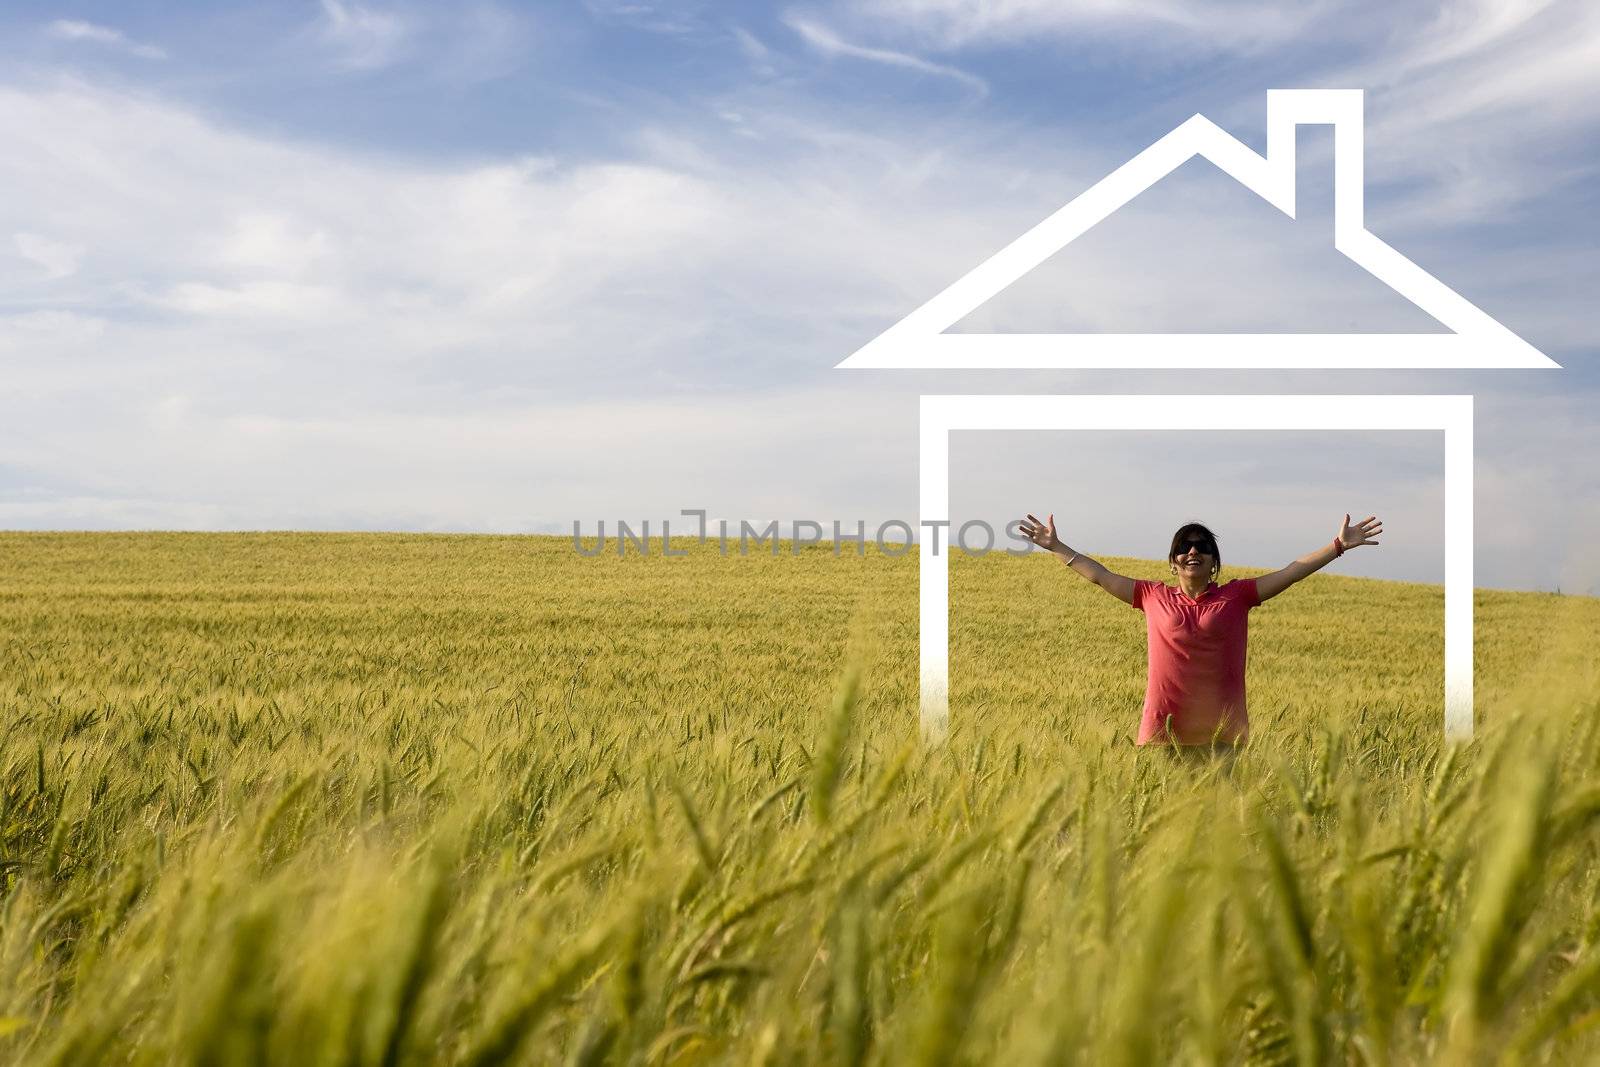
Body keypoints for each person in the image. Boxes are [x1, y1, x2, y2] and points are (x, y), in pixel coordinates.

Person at [1015, 512, 1383, 750]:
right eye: (1184, 546)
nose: (1193, 551)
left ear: (1214, 562)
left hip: (1222, 737)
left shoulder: (1238, 596)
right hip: (1162, 732)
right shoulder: (1151, 595)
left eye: (1203, 546)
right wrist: (1056, 547)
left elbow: (1291, 571)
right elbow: (1100, 576)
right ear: (1173, 560)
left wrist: (1337, 546)